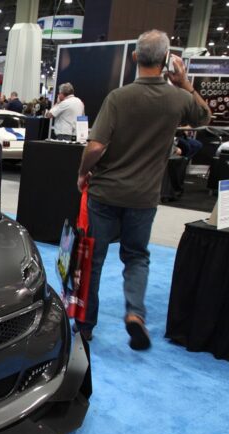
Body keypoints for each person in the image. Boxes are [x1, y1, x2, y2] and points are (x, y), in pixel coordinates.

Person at [75, 29, 210, 349]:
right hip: (144, 196)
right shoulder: (177, 99)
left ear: (135, 57)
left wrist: (83, 172)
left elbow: (96, 146)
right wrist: (184, 83)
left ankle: (85, 325)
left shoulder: (118, 97)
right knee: (136, 257)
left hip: (105, 192)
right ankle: (135, 313)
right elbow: (204, 116)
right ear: (166, 60)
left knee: (93, 258)